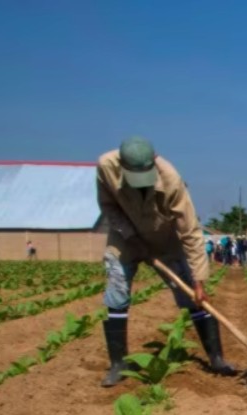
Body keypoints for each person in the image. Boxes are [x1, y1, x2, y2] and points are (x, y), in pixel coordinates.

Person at [95, 136, 237, 387]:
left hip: (166, 241)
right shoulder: (106, 166)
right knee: (117, 295)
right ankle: (119, 364)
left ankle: (216, 358)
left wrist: (200, 282)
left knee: (193, 297)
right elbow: (109, 207)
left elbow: (191, 233)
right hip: (125, 239)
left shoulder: (171, 180)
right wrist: (131, 236)